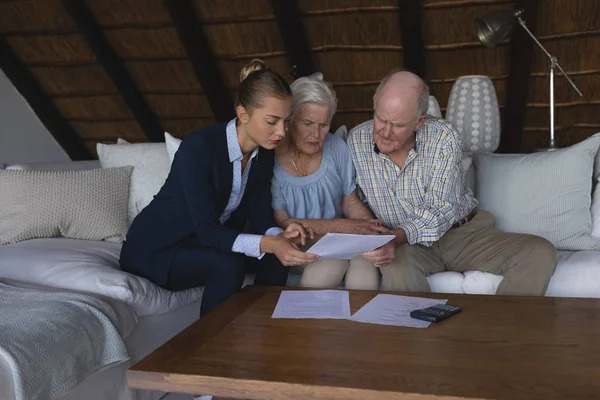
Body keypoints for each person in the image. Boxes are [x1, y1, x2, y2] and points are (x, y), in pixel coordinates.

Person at [120, 59, 319, 316]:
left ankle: (264, 331)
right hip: (156, 250)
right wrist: (269, 243)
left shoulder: (264, 154)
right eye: (272, 121)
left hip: (204, 244)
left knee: (278, 257)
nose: (281, 131)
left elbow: (259, 217)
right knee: (228, 265)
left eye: (286, 121)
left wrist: (279, 235)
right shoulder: (199, 148)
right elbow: (207, 229)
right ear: (243, 114)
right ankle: (211, 344)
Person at [347, 70, 557, 296]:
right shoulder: (356, 142)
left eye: (397, 125)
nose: (385, 132)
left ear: (419, 122)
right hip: (406, 247)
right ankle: (418, 330)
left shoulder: (443, 137)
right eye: (380, 119)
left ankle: (504, 328)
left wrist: (395, 236)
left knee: (539, 251)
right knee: (394, 267)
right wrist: (379, 238)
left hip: (462, 234)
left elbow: (440, 209)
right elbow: (350, 200)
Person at [271, 76, 388, 290]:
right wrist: (342, 227)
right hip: (298, 246)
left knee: (365, 263)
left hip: (339, 240)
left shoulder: (336, 148)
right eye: (307, 124)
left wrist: (370, 231)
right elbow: (283, 220)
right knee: (331, 265)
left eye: (323, 125)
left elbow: (349, 201)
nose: (316, 134)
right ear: (289, 120)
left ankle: (364, 322)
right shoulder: (271, 158)